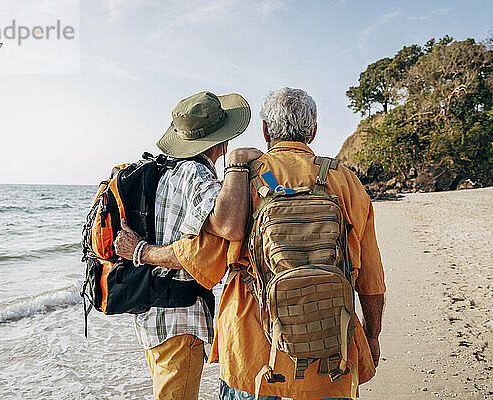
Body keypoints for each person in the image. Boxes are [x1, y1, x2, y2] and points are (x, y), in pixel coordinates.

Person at [116, 87, 386, 400]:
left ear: (265, 130)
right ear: (313, 132)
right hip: (330, 345)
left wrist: (142, 251)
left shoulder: (241, 180)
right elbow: (371, 279)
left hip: (252, 352)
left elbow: (203, 258)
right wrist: (372, 336)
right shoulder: (346, 181)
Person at [113, 90, 262, 400]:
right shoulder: (195, 174)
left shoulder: (163, 171)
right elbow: (230, 225)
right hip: (179, 319)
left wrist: (142, 252)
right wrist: (237, 167)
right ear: (222, 141)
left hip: (151, 312)